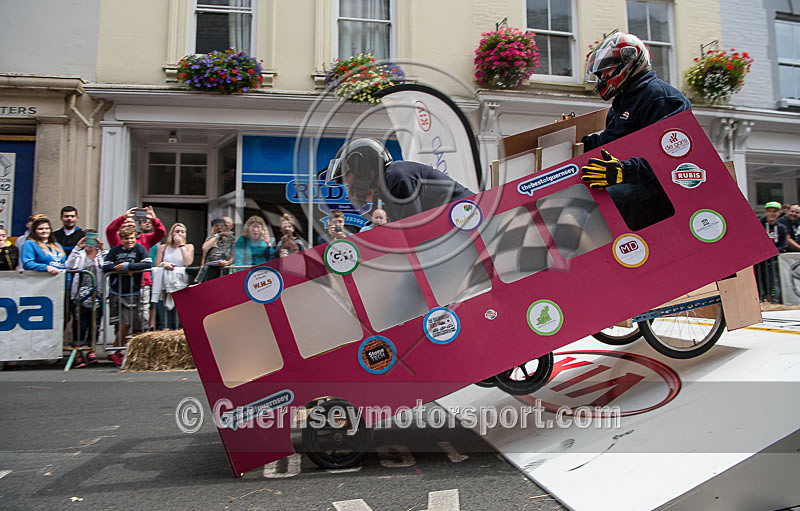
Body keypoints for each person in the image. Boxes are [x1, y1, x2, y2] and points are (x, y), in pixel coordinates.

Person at [579, 32, 689, 230]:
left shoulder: (660, 97)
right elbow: (610, 143)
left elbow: (672, 155)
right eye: (600, 74)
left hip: (659, 189)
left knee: (589, 211)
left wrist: (623, 172)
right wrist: (576, 141)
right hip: (633, 181)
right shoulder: (621, 104)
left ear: (629, 62)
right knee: (574, 199)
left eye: (607, 70)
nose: (603, 77)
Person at [329, 138, 474, 223]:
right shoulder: (388, 185)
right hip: (460, 223)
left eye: (350, 183)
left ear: (364, 170)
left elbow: (412, 229)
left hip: (470, 218)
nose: (351, 189)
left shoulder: (396, 177)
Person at [103, 225, 153, 355]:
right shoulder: (115, 251)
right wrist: (118, 268)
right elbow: (105, 266)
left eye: (131, 238)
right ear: (121, 239)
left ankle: (114, 351)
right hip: (116, 291)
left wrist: (129, 266)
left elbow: (148, 263)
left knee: (128, 323)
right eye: (126, 239)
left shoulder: (139, 249)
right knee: (118, 324)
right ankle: (118, 352)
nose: (129, 241)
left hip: (132, 292)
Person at [65, 229, 106, 360]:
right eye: (88, 239)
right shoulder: (80, 254)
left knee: (95, 323)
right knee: (80, 323)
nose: (90, 243)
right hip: (80, 293)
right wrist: (77, 248)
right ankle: (77, 351)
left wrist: (102, 249)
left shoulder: (101, 254)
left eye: (93, 239)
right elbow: (68, 265)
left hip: (97, 293)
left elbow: (107, 265)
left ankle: (91, 349)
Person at [153, 223, 194, 329]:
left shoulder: (189, 247)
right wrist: (164, 264)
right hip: (165, 286)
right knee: (166, 321)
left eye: (182, 232)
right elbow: (157, 265)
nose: (179, 234)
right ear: (172, 233)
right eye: (177, 231)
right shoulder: (163, 247)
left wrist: (181, 246)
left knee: (179, 320)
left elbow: (187, 262)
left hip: (180, 285)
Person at [197, 218, 235, 282]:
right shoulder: (211, 238)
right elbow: (205, 248)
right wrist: (218, 235)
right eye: (216, 226)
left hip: (224, 269)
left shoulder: (232, 239)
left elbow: (233, 257)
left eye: (222, 226)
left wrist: (227, 263)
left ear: (225, 227)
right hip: (209, 269)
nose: (219, 228)